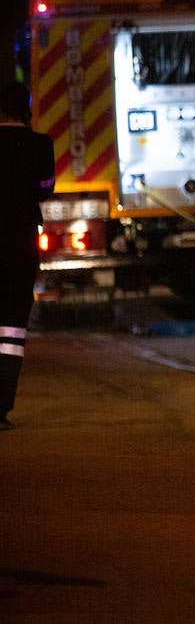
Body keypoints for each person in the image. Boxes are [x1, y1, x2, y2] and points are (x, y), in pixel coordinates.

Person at [0, 82, 56, 431]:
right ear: (26, 109)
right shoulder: (39, 144)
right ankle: (1, 407)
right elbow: (45, 187)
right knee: (11, 329)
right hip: (20, 245)